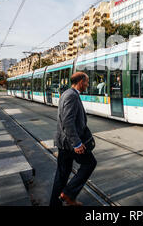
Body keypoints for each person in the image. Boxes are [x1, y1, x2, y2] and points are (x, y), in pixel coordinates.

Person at [49, 72, 97, 206]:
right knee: (90, 163)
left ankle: (55, 203)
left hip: (64, 142)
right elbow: (68, 122)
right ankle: (69, 193)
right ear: (81, 81)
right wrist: (77, 143)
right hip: (70, 143)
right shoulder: (72, 96)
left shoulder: (67, 93)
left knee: (62, 174)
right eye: (87, 82)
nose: (87, 85)